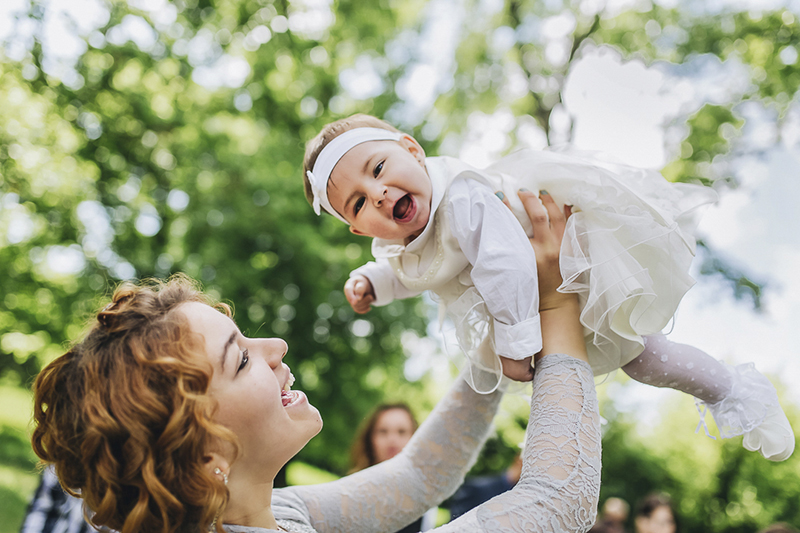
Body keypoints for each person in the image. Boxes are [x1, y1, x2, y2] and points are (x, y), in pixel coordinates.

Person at [30, 191, 601, 532]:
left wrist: (504, 321)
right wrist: (554, 302)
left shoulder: (269, 514)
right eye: (240, 359)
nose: (274, 348)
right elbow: (555, 502)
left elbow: (421, 475)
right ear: (204, 451)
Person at [301, 113, 794, 462]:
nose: (380, 194)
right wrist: (372, 282)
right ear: (360, 231)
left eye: (379, 169)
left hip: (575, 266)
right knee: (595, 367)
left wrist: (515, 343)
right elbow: (416, 270)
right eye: (359, 203)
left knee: (644, 357)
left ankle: (737, 394)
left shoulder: (464, 198)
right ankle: (569, 441)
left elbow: (507, 262)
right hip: (532, 294)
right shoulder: (403, 240)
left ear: (412, 149)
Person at [348, 404, 435, 531]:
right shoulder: (351, 489)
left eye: (402, 432)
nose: (392, 440)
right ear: (370, 438)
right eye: (383, 431)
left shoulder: (426, 499)